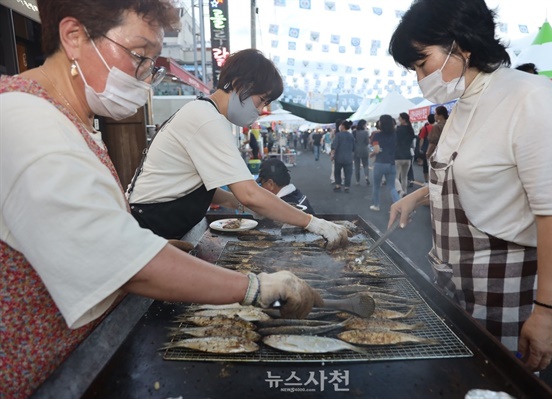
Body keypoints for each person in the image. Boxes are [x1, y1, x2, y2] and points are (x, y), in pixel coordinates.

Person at [0, 2, 324, 396]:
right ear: (74, 37)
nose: (145, 77)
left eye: (152, 62)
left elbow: (72, 227)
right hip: (37, 370)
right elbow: (120, 262)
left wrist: (150, 245)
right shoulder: (28, 123)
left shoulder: (67, 115)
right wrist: (256, 287)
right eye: (139, 55)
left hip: (74, 348)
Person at [387, 0, 552, 371]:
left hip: (505, 287)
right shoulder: (463, 104)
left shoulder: (530, 97)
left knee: (497, 383)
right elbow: (478, 176)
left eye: (421, 63)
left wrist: (547, 312)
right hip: (451, 279)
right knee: (456, 378)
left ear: (460, 47)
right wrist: (418, 195)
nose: (418, 77)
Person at [126, 48, 348, 245]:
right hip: (150, 225)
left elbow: (197, 189)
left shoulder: (204, 112)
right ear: (239, 84)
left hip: (158, 224)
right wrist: (314, 223)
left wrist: (240, 205)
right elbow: (249, 193)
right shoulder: (207, 118)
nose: (261, 110)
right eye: (261, 100)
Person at [370, 115, 401, 211]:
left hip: (380, 163)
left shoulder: (377, 135)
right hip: (391, 163)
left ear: (381, 123)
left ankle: (376, 205)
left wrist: (371, 154)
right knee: (392, 187)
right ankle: (399, 207)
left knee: (376, 186)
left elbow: (376, 150)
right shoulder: (395, 134)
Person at [331, 120, 355, 193]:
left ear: (343, 126)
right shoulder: (351, 135)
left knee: (337, 172)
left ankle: (338, 185)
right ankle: (347, 187)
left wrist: (332, 155)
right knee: (348, 173)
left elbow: (334, 146)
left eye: (341, 125)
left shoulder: (339, 135)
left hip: (339, 157)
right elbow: (354, 147)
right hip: (348, 157)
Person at [395, 113, 415, 197]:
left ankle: (400, 192)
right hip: (408, 156)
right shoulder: (411, 129)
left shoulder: (398, 129)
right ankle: (405, 191)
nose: (399, 120)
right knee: (404, 176)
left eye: (399, 118)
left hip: (398, 156)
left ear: (403, 119)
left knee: (395, 177)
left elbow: (394, 141)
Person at [417, 113, 435, 182]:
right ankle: (433, 180)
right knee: (434, 165)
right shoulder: (438, 127)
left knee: (425, 166)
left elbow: (421, 139)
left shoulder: (425, 128)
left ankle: (426, 181)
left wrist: (420, 147)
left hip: (426, 149)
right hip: (435, 149)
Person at [354, 119, 371, 185]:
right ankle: (366, 177)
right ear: (363, 125)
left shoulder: (355, 132)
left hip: (356, 150)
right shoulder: (365, 132)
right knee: (366, 164)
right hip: (364, 149)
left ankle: (357, 180)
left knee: (357, 166)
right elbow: (367, 142)